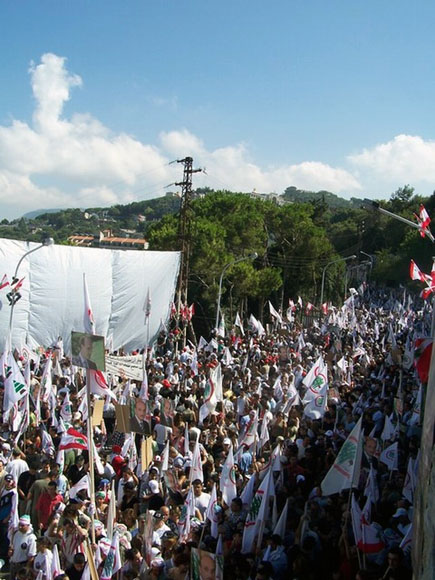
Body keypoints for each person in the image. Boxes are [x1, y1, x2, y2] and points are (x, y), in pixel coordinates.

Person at [9, 515, 37, 580]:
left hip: (22, 565)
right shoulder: (16, 534)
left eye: (22, 525)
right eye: (19, 525)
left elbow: (31, 556)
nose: (20, 527)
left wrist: (26, 569)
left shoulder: (31, 538)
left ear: (28, 525)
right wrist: (10, 551)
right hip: (13, 564)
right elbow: (12, 546)